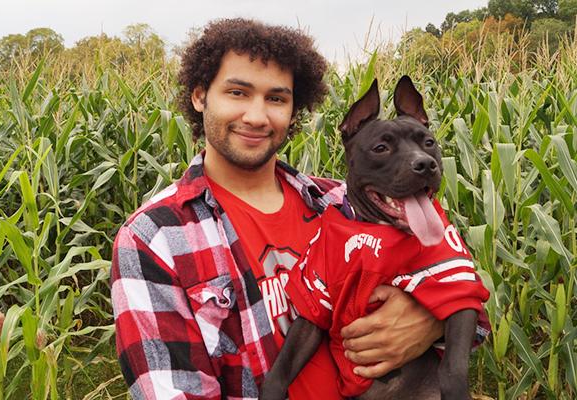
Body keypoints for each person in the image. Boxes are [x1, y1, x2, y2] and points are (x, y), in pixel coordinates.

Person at [111, 18, 489, 399]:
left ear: (294, 109)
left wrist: (429, 322)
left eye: (276, 98)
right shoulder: (155, 238)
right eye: (238, 93)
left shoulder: (349, 204)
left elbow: (464, 295)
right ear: (199, 96)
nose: (257, 116)